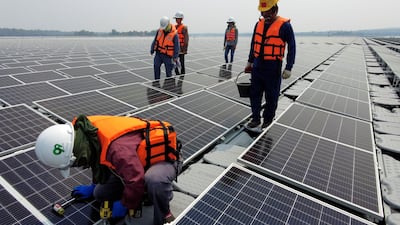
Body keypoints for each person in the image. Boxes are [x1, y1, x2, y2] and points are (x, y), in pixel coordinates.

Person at [34, 115, 182, 225]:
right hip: (133, 163)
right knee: (100, 193)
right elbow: (97, 161)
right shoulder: (83, 134)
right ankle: (135, 196)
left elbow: (135, 179)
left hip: (163, 160)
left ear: (73, 153)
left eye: (73, 163)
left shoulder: (117, 150)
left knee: (154, 181)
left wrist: (126, 204)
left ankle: (164, 214)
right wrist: (93, 186)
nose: (76, 165)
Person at [244, 0, 296, 129]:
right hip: (257, 66)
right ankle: (255, 118)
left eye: (268, 13)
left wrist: (289, 67)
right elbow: (253, 44)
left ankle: (268, 119)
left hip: (273, 67)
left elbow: (292, 47)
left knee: (271, 96)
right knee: (254, 94)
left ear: (275, 10)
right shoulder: (258, 24)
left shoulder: (285, 26)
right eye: (263, 13)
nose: (265, 16)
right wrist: (249, 61)